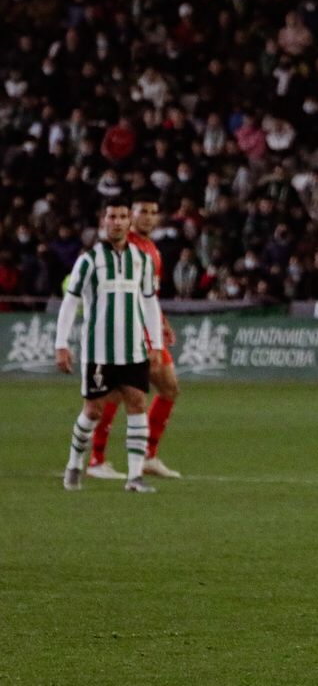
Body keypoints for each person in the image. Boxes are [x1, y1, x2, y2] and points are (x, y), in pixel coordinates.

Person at [54, 199, 165, 493]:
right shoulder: (89, 260)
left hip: (134, 350)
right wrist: (61, 344)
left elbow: (150, 301)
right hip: (99, 352)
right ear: (104, 221)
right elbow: (70, 302)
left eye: (122, 217)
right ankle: (75, 463)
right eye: (112, 217)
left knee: (138, 403)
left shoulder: (140, 260)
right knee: (92, 411)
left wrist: (155, 342)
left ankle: (134, 477)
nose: (117, 222)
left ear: (129, 223)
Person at [87, 196, 183, 480]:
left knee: (168, 388)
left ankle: (146, 457)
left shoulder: (152, 249)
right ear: (131, 215)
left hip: (147, 330)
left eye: (153, 212)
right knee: (118, 393)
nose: (148, 218)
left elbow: (148, 294)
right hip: (127, 328)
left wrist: (161, 323)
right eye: (142, 212)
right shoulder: (122, 247)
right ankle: (97, 459)